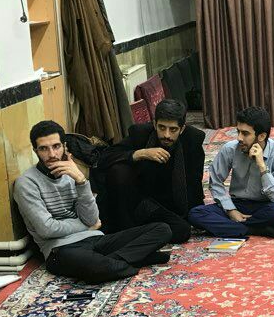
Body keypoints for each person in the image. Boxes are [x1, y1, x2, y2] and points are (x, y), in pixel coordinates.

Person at [14, 121, 176, 283]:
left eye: (56, 146)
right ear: (35, 151)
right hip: (61, 249)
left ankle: (113, 262)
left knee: (162, 229)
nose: (52, 154)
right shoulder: (26, 183)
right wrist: (87, 226)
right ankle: (127, 260)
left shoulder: (72, 174)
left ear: (64, 146)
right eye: (44, 149)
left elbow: (91, 219)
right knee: (97, 266)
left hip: (95, 239)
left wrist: (81, 181)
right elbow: (47, 229)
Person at [99, 99, 205, 240]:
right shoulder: (140, 134)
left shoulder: (193, 139)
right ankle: (131, 229)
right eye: (162, 127)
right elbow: (105, 158)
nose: (166, 135)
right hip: (137, 200)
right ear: (155, 124)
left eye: (173, 129)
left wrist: (195, 214)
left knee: (182, 231)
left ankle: (139, 231)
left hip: (166, 205)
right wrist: (141, 153)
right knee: (119, 170)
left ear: (182, 129)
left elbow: (195, 181)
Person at [188, 106, 274, 238]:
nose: (239, 138)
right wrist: (231, 210)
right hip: (236, 203)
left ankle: (231, 228)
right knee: (195, 214)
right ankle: (254, 229)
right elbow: (215, 182)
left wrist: (262, 166)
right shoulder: (230, 149)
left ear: (261, 136)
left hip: (263, 206)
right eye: (238, 132)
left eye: (245, 133)